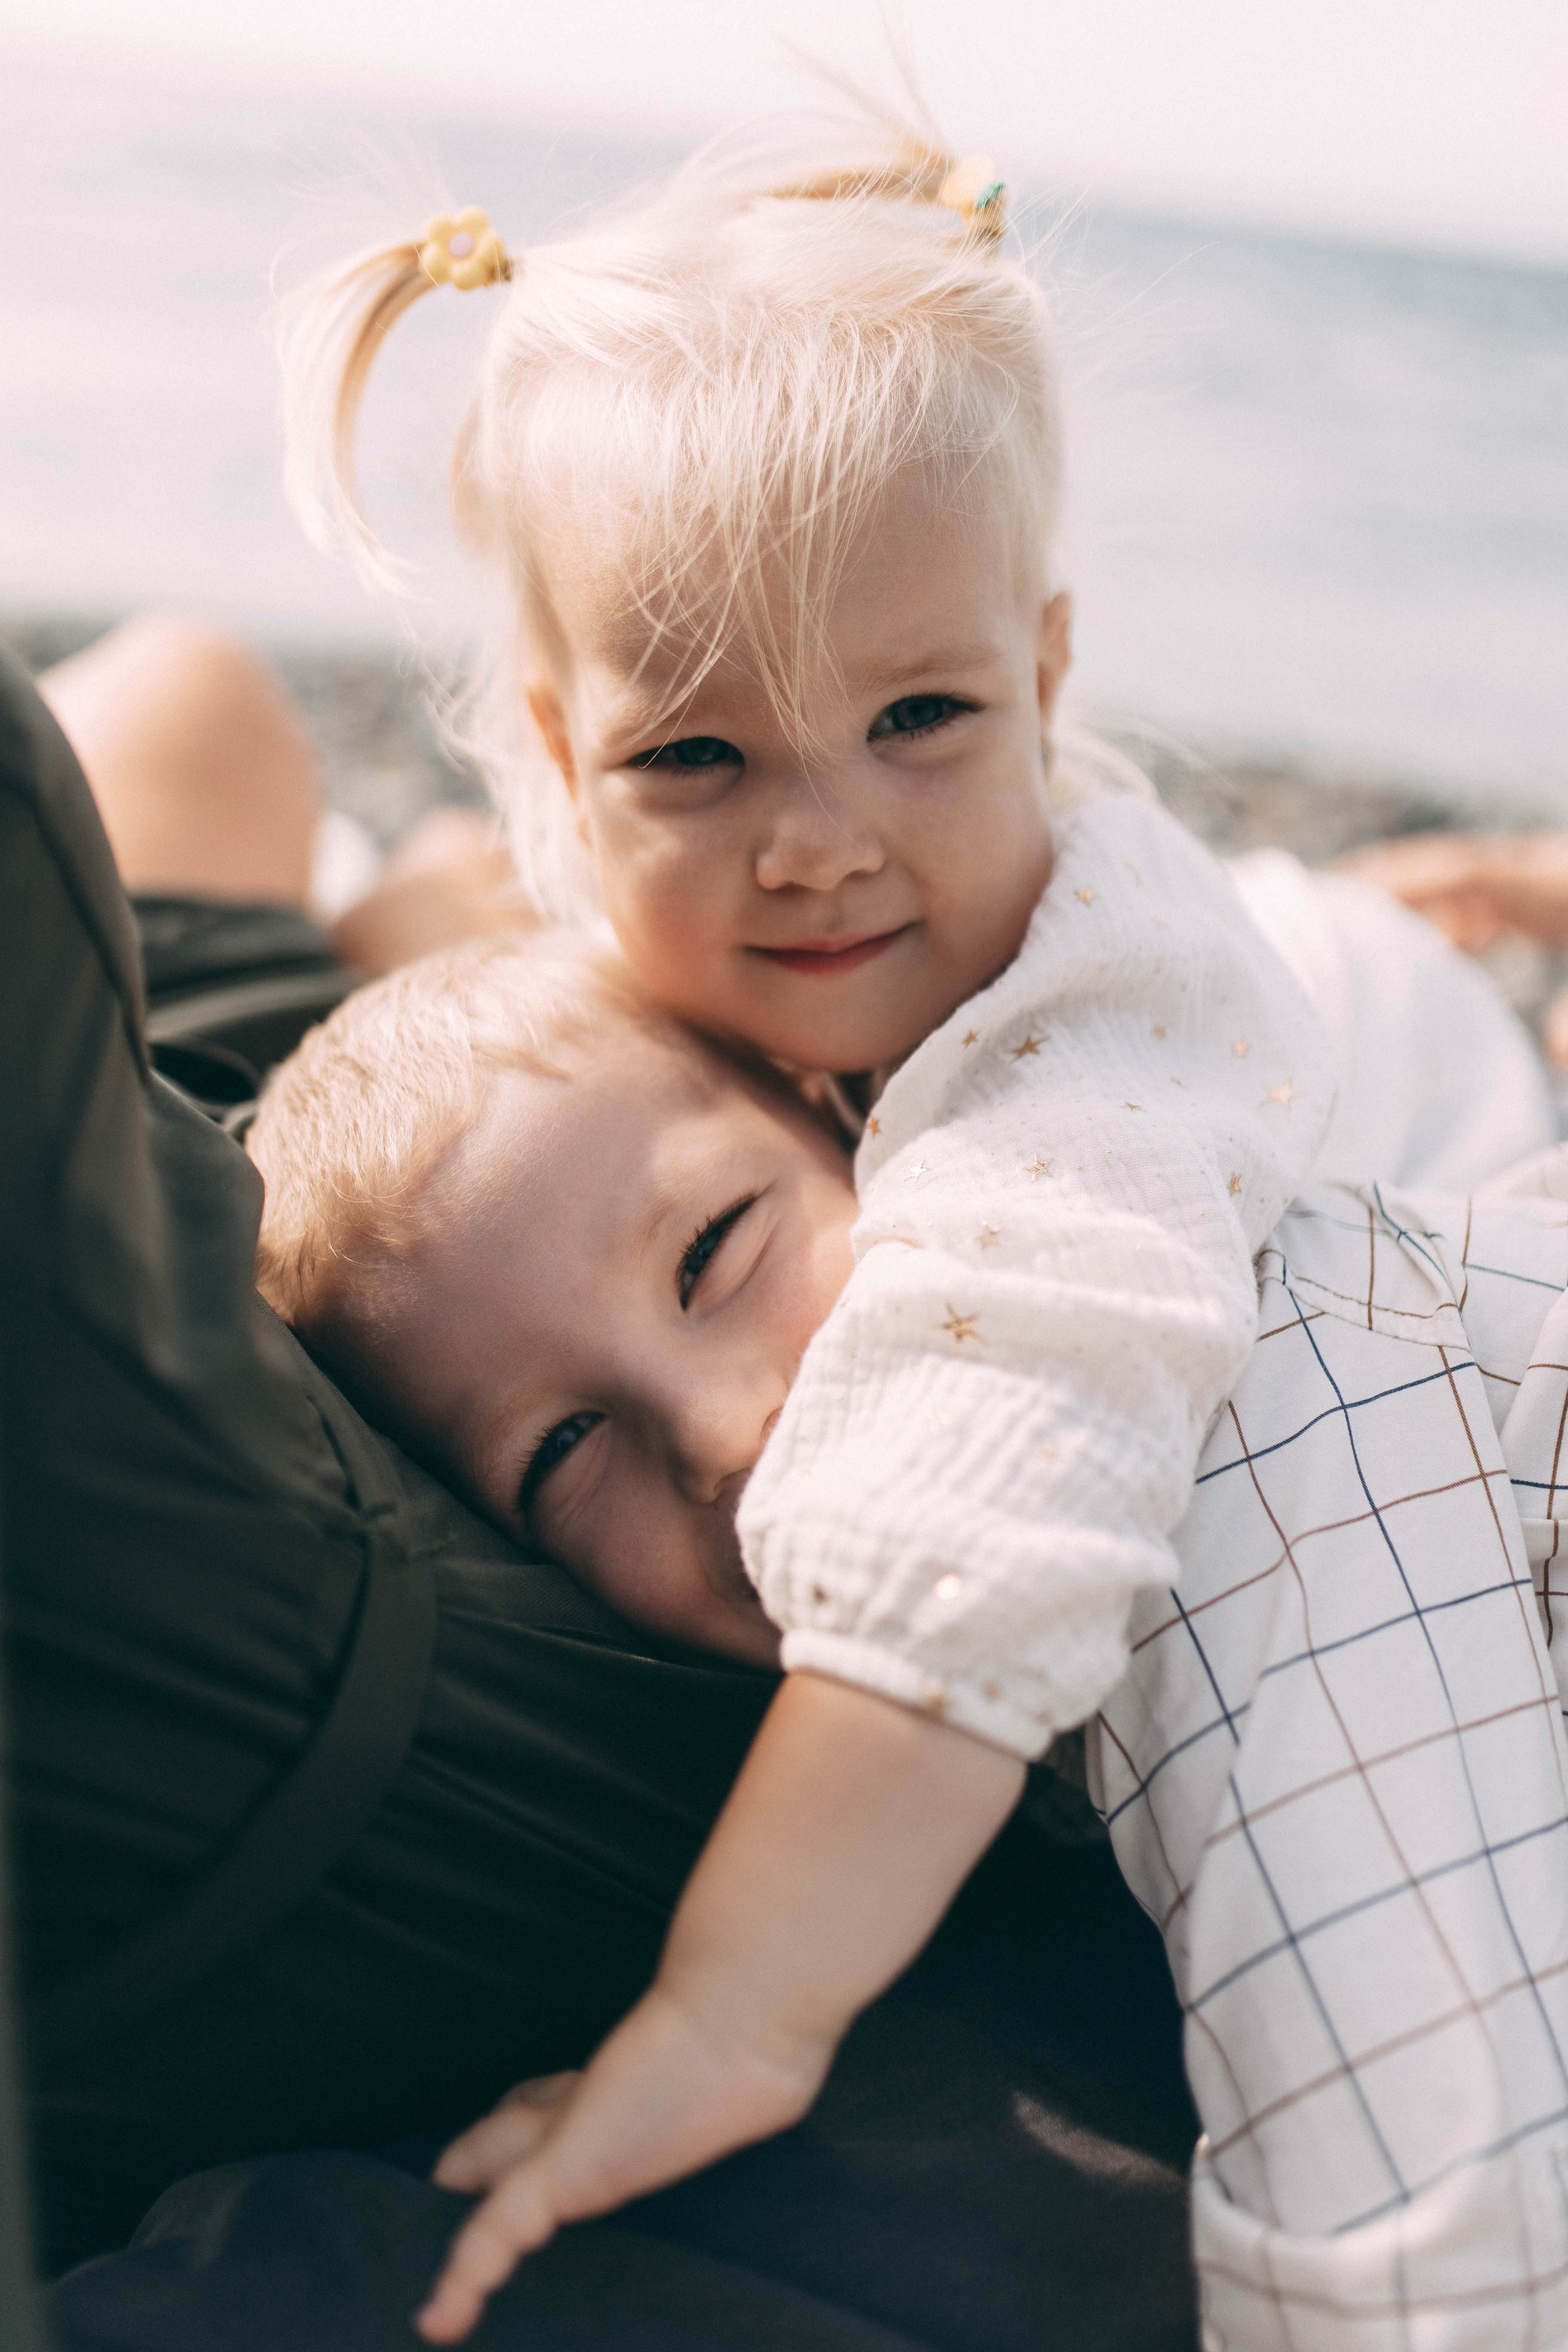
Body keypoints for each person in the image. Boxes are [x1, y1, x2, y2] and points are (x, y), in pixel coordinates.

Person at [274, 101, 1559, 2339]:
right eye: (704, 763)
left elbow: (992, 1472)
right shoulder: (688, 988)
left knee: (1275, 1568)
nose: (817, 845)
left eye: (919, 719)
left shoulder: (1085, 1071)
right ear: (567, 771)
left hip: (1405, 1290)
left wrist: (731, 2019)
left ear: (1046, 685)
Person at [247, 925, 1568, 2351]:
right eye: (562, 1449)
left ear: (868, 1125)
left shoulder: (1208, 1412)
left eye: (713, 1253)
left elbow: (1423, 2143)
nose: (712, 1434)